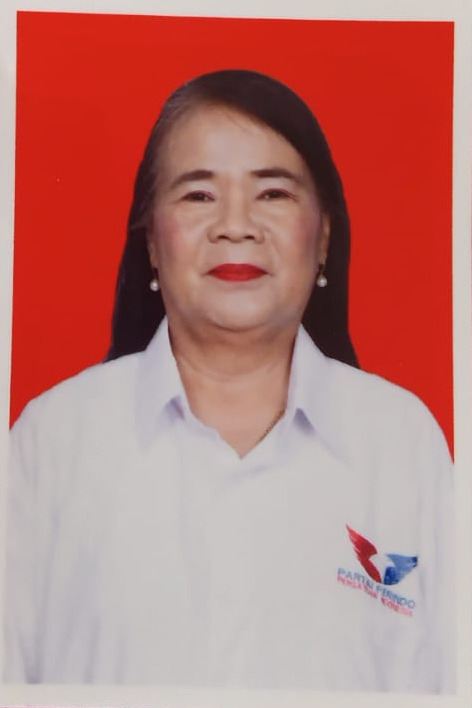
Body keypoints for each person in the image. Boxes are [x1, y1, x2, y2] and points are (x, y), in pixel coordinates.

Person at [4, 69, 453, 691]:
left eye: (273, 193)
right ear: (152, 243)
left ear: (323, 237)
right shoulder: (54, 440)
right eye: (198, 195)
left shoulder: (401, 442)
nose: (236, 225)